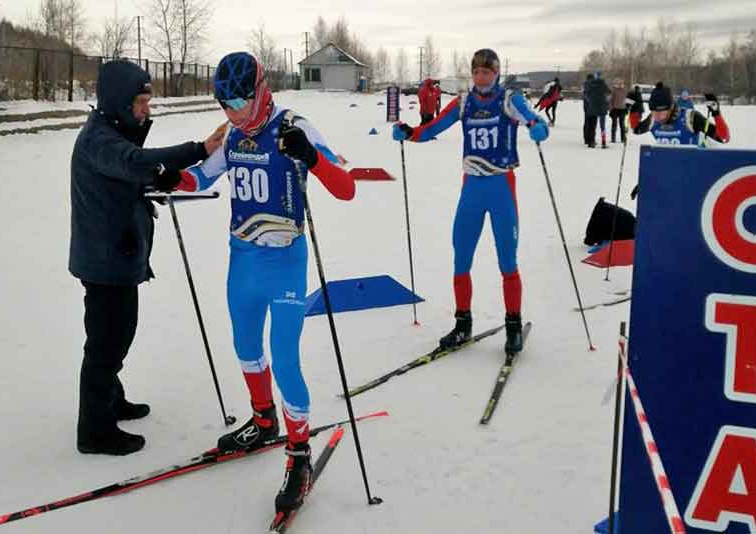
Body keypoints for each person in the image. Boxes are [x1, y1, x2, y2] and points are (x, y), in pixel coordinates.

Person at [173, 52, 356, 515]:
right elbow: (200, 177)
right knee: (245, 345)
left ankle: (299, 456)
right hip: (243, 259)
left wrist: (311, 157)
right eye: (224, 102)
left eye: (239, 99)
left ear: (261, 88)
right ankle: (262, 419)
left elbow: (346, 187)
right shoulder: (234, 135)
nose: (233, 111)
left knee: (287, 359)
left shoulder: (294, 125)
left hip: (285, 263)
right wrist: (167, 176)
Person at [69, 60, 225, 456]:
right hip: (105, 262)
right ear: (120, 100)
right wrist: (200, 150)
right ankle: (95, 430)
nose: (146, 109)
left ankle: (111, 400)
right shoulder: (99, 141)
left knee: (118, 336)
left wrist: (159, 178)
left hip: (117, 256)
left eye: (147, 101)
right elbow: (134, 163)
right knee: (106, 344)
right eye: (140, 101)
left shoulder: (113, 132)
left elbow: (134, 172)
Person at [392, 48, 549, 356]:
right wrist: (410, 133)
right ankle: (463, 323)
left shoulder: (509, 99)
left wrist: (537, 127)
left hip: (501, 186)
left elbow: (532, 119)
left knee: (507, 261)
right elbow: (432, 127)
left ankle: (513, 325)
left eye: (486, 72)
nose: (480, 77)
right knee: (461, 257)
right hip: (472, 189)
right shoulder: (464, 102)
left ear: (496, 73)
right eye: (476, 72)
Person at [629, 82, 730, 199]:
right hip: (668, 176)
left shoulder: (690, 117)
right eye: (654, 112)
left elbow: (723, 138)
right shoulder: (653, 119)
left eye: (661, 113)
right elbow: (636, 128)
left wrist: (716, 113)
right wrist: (635, 107)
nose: (658, 117)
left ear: (671, 107)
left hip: (694, 175)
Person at [584, 71, 611, 148]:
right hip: (602, 107)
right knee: (602, 126)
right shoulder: (603, 84)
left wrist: (591, 101)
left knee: (593, 125)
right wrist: (605, 100)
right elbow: (609, 92)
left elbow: (586, 94)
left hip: (592, 107)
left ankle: (592, 142)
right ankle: (603, 142)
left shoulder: (590, 84)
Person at [609, 78, 628, 143]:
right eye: (618, 83)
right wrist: (610, 109)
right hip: (615, 109)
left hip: (622, 110)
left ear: (623, 84)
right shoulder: (614, 90)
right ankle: (613, 138)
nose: (620, 84)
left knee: (622, 124)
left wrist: (629, 106)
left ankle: (623, 138)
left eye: (621, 83)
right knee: (614, 124)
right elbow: (611, 100)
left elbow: (628, 99)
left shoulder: (625, 91)